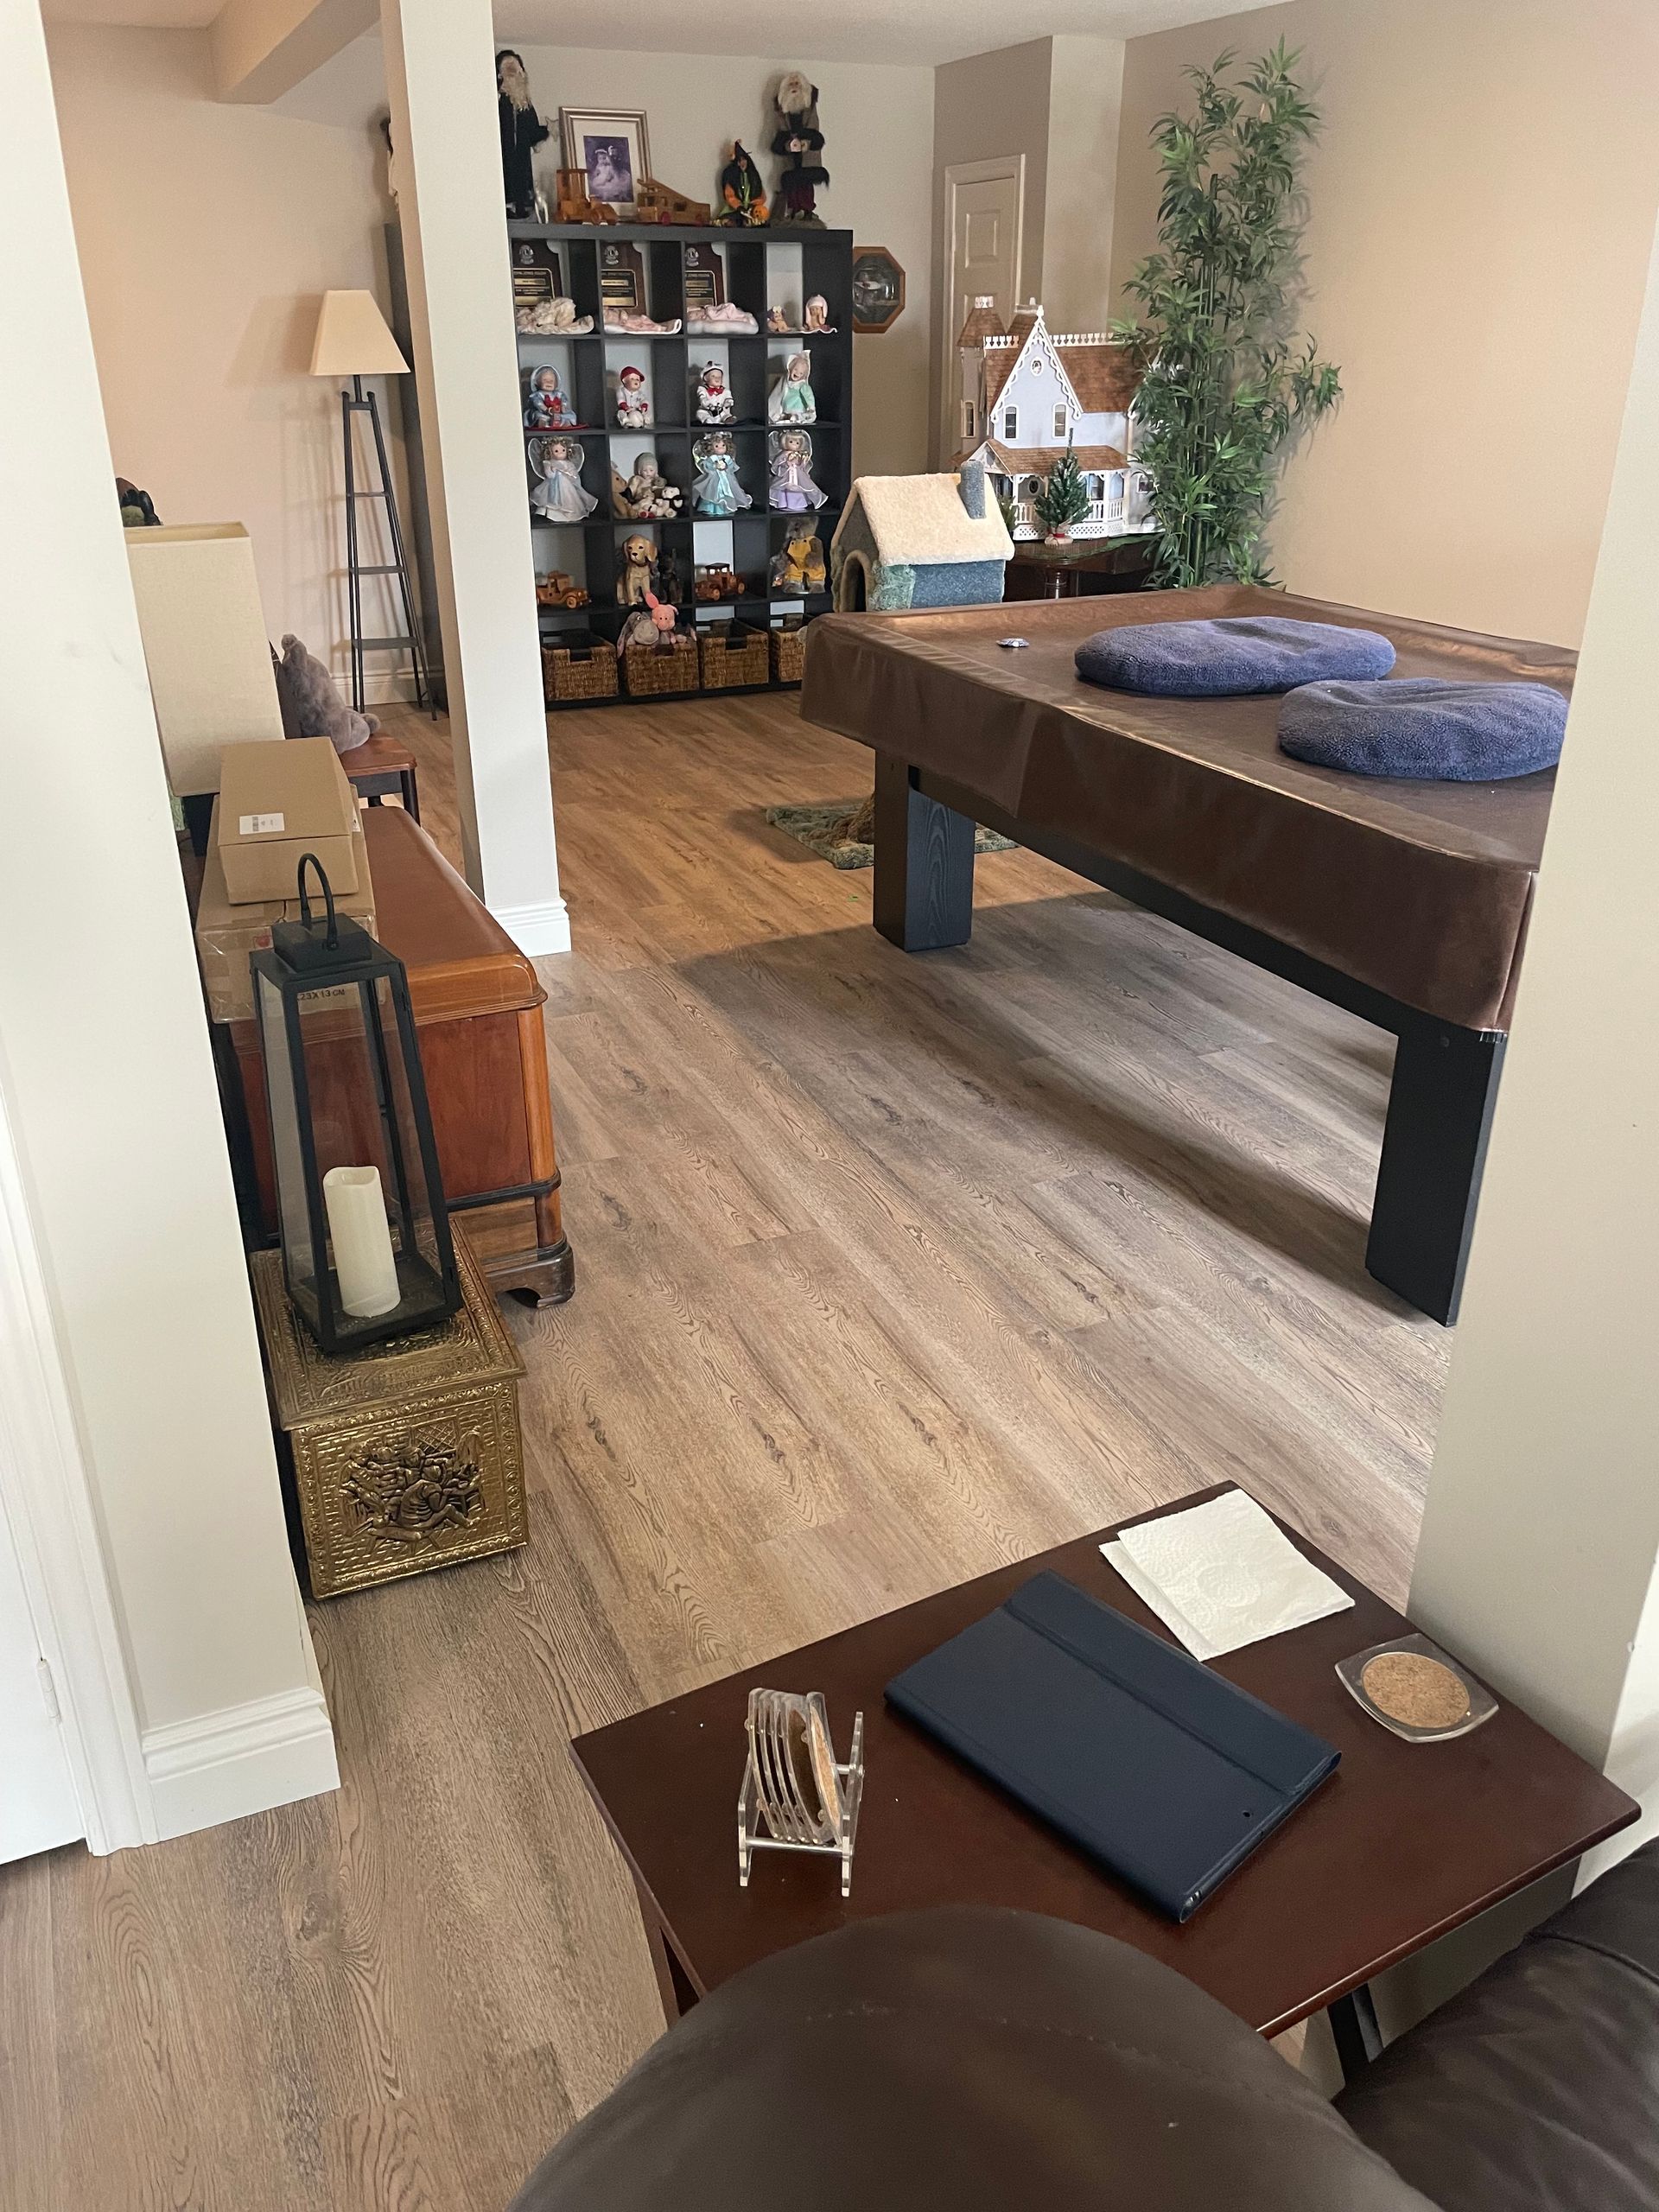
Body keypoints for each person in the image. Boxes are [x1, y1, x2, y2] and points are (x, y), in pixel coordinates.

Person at [496, 51, 550, 220]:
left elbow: (532, 129)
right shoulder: (495, 101)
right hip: (501, 155)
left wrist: (547, 130)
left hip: (521, 156)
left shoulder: (525, 105)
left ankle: (520, 205)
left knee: (520, 176)